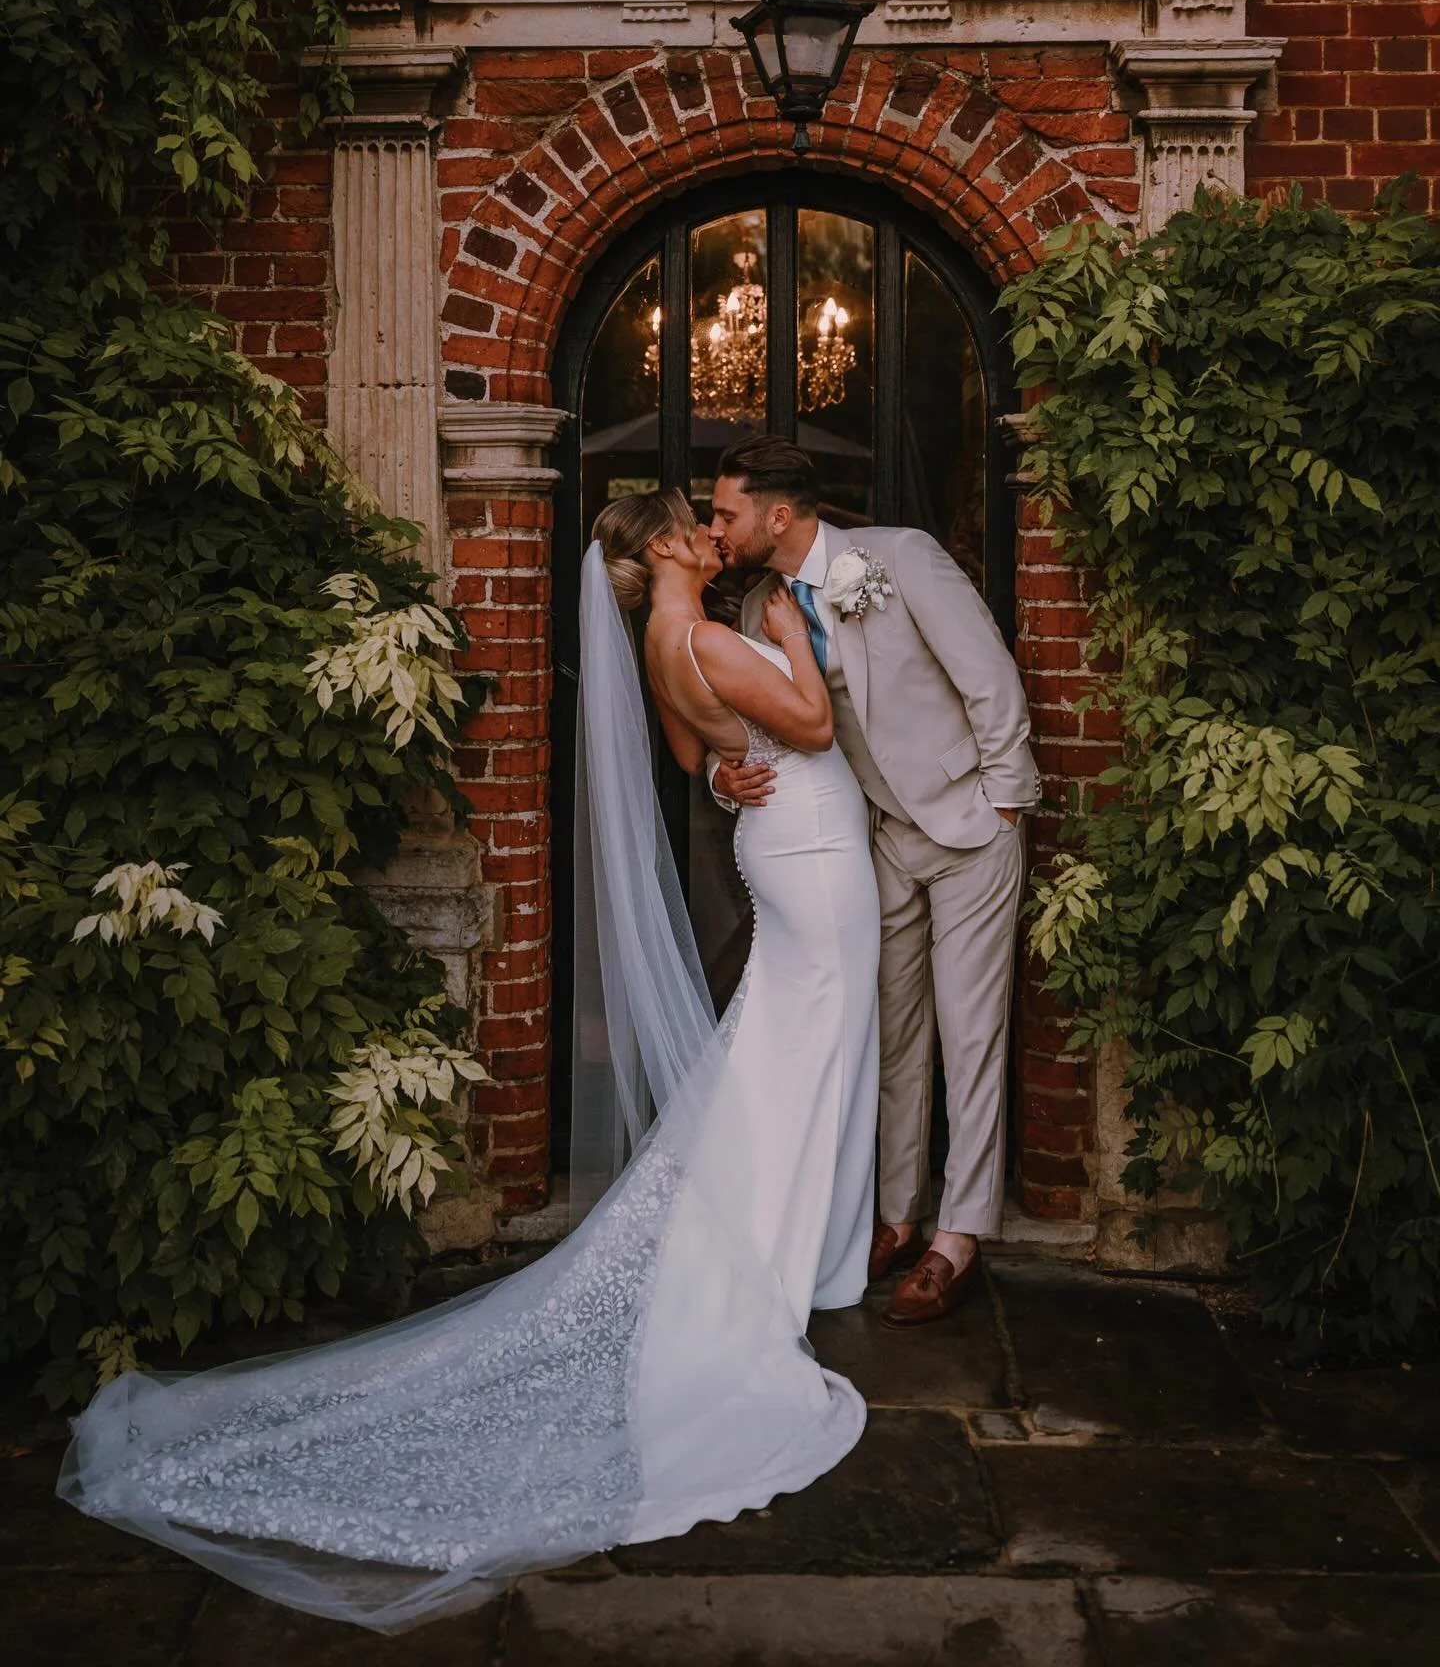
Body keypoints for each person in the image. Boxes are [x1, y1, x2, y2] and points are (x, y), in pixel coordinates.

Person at [57, 489, 883, 1632]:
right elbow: (813, 729)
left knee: (782, 1052)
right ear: (656, 550)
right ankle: (792, 1260)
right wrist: (793, 645)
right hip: (810, 839)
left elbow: (693, 746)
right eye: (690, 521)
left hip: (776, 836)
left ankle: (797, 1245)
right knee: (808, 1047)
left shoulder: (662, 642)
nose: (706, 528)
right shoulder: (707, 632)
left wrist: (718, 772)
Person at [708, 437, 1039, 1326]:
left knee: (971, 1036)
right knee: (889, 1033)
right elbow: (738, 729)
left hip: (968, 827)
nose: (716, 528)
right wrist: (717, 778)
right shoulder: (752, 610)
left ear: (778, 516)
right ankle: (896, 1215)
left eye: (725, 513)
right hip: (873, 840)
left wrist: (1003, 802)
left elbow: (989, 677)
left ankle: (958, 1237)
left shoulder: (895, 559)